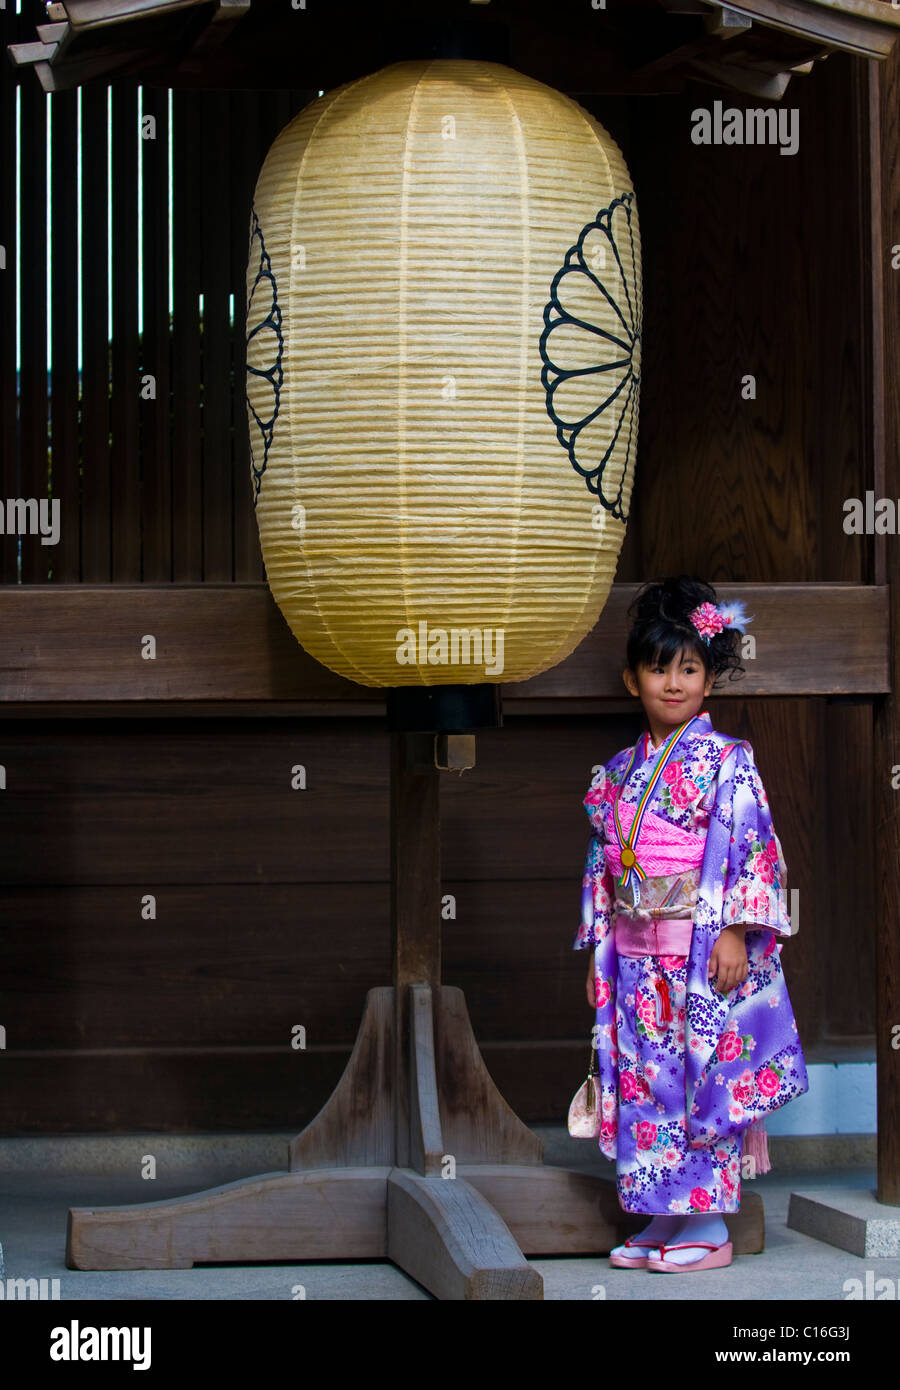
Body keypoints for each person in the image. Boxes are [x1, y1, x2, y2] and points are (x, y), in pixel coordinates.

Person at [573, 575, 808, 1272]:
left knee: (699, 1078)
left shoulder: (728, 762)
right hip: (636, 954)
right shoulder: (617, 774)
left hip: (700, 954)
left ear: (709, 680)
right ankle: (660, 1214)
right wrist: (599, 948)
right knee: (646, 1081)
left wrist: (736, 927)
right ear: (631, 678)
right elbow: (604, 864)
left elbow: (752, 846)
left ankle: (706, 1222)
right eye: (658, 668)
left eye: (689, 668)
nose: (673, 683)